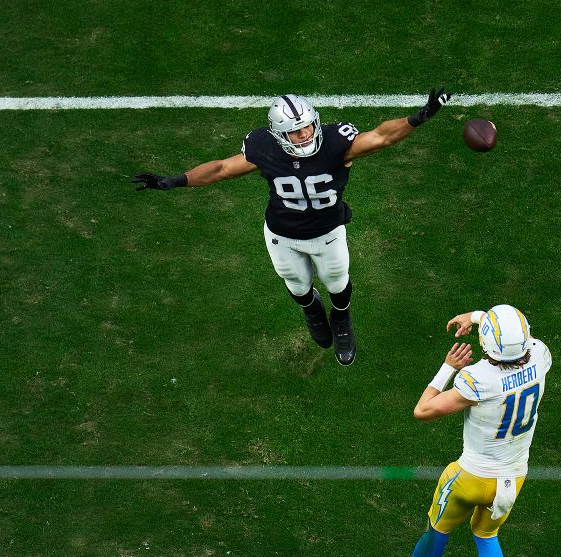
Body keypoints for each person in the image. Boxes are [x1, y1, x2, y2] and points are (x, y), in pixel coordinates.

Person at [131, 87, 452, 366]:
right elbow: (222, 169)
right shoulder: (263, 147)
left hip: (328, 232)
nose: (307, 135)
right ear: (279, 135)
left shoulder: (336, 143)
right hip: (282, 235)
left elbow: (381, 137)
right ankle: (313, 312)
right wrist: (172, 181)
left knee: (337, 283)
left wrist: (419, 117)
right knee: (298, 287)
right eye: (297, 132)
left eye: (310, 127)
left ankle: (341, 319)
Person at [387, 305, 552, 557]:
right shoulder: (540, 356)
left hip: (471, 476)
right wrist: (476, 317)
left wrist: (448, 366)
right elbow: (517, 340)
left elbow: (423, 410)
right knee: (487, 537)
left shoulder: (478, 378)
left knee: (438, 528)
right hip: (513, 478)